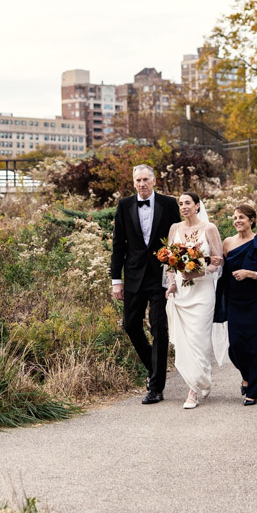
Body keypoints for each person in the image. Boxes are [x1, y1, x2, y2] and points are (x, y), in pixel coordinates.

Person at [111, 165, 181, 404]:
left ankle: (156, 386)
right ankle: (155, 368)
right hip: (133, 276)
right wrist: (116, 281)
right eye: (137, 180)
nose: (141, 184)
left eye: (145, 180)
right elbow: (118, 245)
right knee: (130, 325)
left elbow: (178, 239)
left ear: (154, 181)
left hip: (161, 276)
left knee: (159, 328)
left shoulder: (169, 204)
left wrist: (177, 272)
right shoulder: (124, 205)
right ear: (133, 182)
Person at [218, 203, 257, 405]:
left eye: (242, 217)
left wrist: (250, 274)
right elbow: (219, 269)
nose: (237, 220)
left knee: (256, 348)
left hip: (256, 302)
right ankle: (246, 377)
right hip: (234, 302)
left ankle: (253, 391)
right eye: (235, 217)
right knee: (235, 347)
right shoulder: (227, 242)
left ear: (251, 220)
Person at [164, 192, 224, 409]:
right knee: (184, 342)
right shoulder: (174, 229)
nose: (183, 207)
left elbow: (218, 261)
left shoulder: (209, 228)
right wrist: (171, 283)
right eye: (180, 204)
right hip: (181, 291)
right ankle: (202, 379)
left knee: (199, 339)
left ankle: (194, 391)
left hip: (203, 291)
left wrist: (199, 272)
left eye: (187, 203)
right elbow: (170, 262)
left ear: (197, 205)